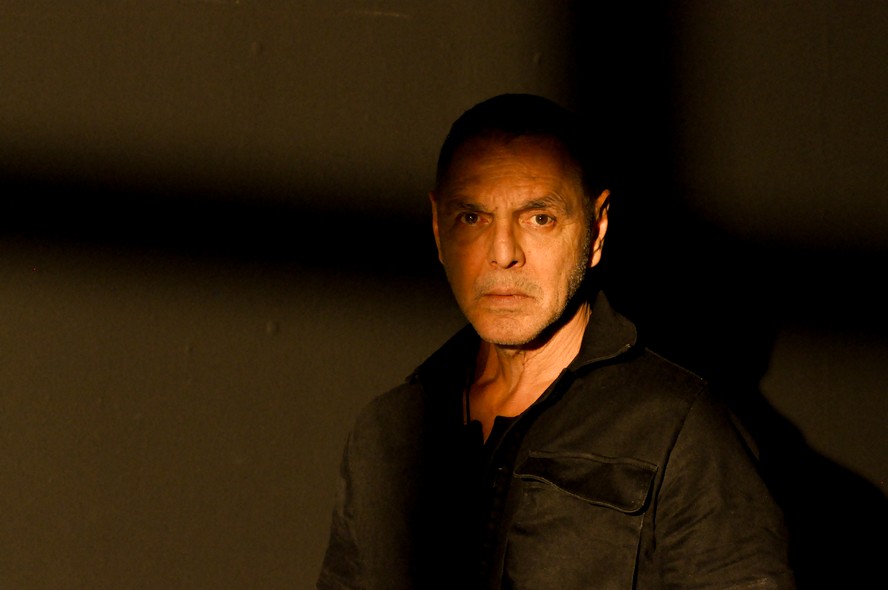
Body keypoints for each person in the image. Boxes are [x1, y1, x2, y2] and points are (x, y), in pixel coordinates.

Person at [316, 93, 796, 589]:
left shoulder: (678, 429)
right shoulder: (386, 433)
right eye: (473, 217)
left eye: (539, 218)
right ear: (438, 229)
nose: (503, 253)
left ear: (597, 229)